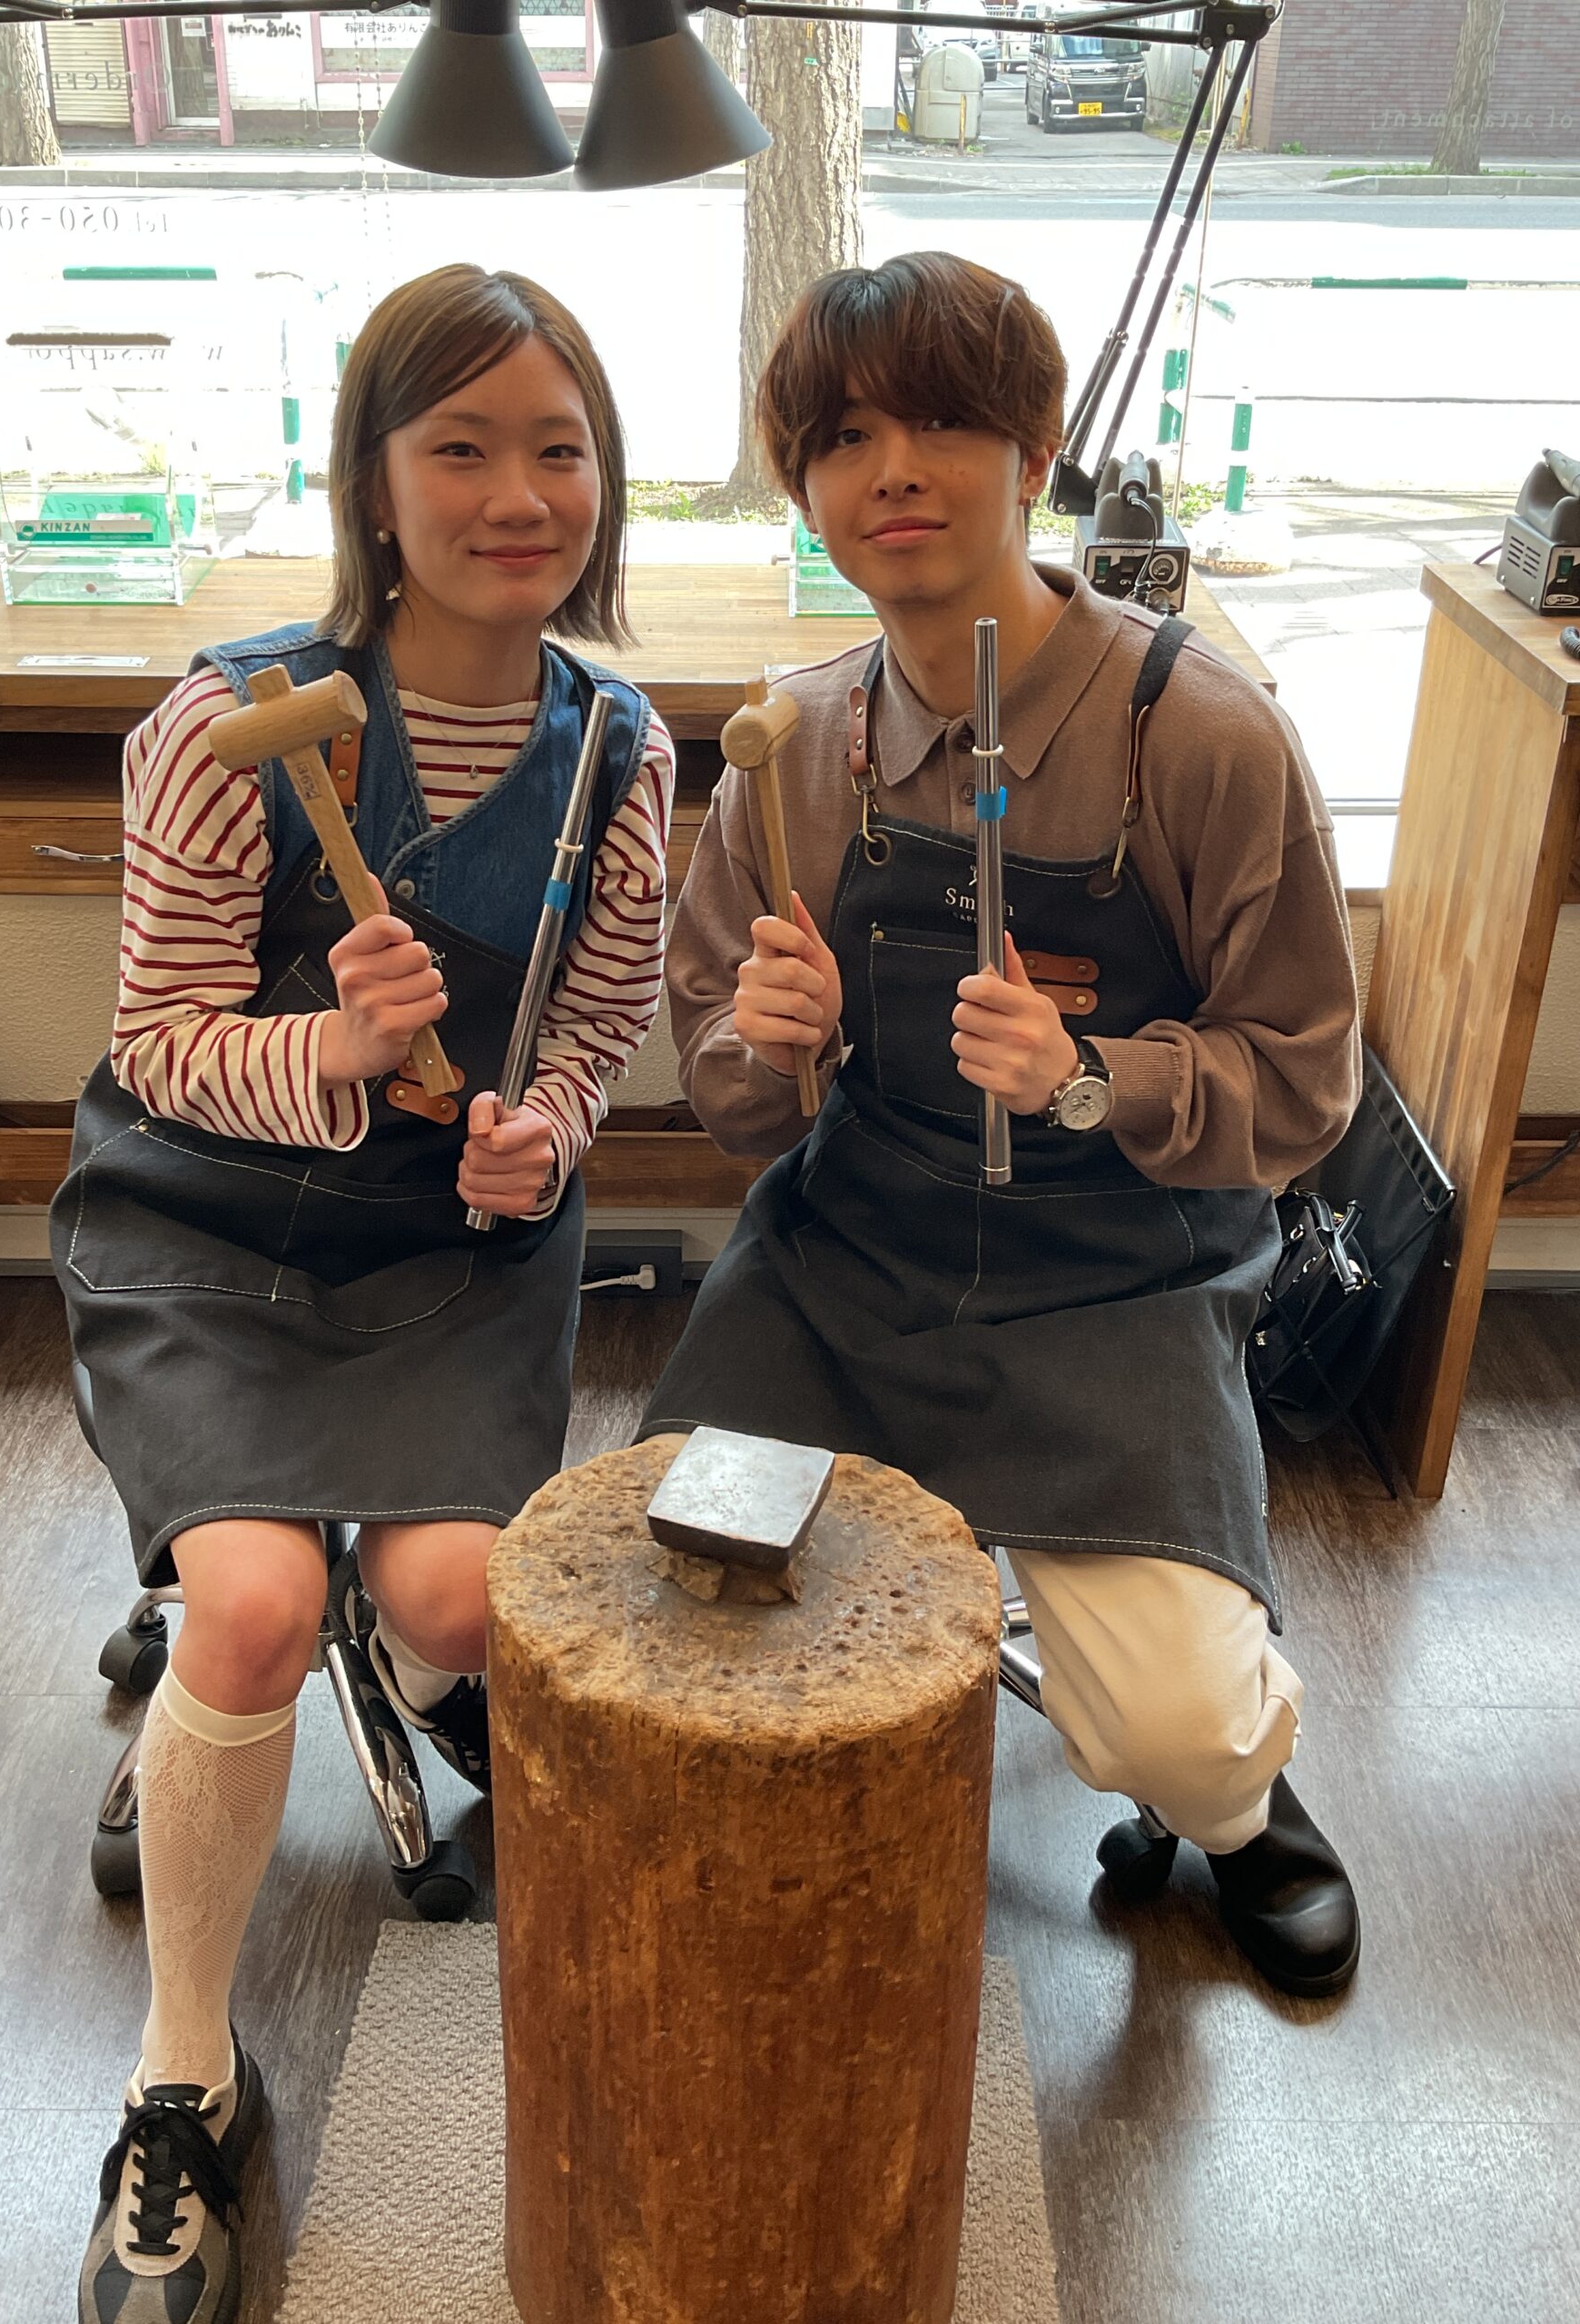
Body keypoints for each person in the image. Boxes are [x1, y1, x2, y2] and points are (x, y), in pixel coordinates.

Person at [56, 263, 674, 2324]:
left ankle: (406, 1677)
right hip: (208, 1216)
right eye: (461, 447)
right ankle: (183, 2081)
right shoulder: (225, 730)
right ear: (375, 482)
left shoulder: (619, 752)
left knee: (455, 1601)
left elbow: (595, 1030)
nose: (520, 494)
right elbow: (157, 1045)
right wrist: (334, 1045)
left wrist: (541, 1136)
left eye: (560, 448)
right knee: (243, 1604)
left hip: (446, 1239)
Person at [645, 251, 1362, 1999]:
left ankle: (1242, 1804)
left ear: (1037, 452)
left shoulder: (1201, 737)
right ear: (804, 486)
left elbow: (1305, 1082)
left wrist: (1095, 1076)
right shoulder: (794, 749)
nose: (892, 471)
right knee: (684, 1617)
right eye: (844, 438)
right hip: (851, 1257)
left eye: (945, 425)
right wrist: (767, 1041)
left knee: (1177, 1735)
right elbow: (725, 1096)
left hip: (1120, 1272)